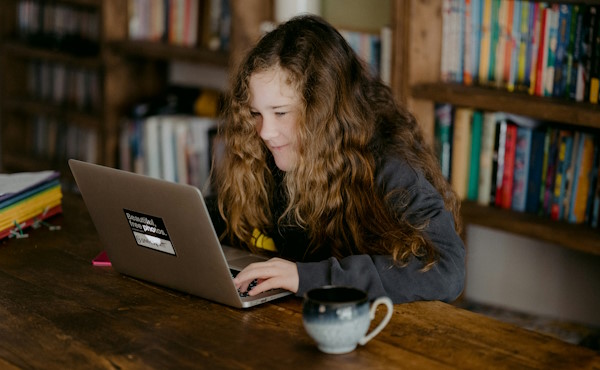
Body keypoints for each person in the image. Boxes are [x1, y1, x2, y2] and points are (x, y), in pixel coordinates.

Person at [205, 14, 465, 304]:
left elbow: (447, 269)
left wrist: (307, 277)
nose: (265, 132)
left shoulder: (390, 165)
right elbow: (223, 217)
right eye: (256, 114)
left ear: (323, 111)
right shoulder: (269, 152)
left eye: (281, 113)